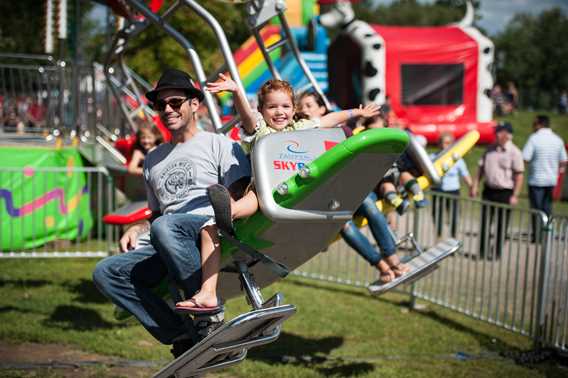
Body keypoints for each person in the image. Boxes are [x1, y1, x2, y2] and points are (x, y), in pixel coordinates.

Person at [93, 68, 251, 358]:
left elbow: (238, 195)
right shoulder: (153, 159)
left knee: (167, 227)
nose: (167, 109)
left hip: (208, 234)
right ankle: (180, 334)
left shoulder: (220, 144)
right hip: (165, 236)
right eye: (160, 104)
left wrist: (217, 218)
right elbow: (156, 214)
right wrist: (138, 227)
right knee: (107, 272)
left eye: (175, 102)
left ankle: (209, 314)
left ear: (195, 104)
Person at [204, 74, 380, 230]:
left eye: (285, 106)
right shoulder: (261, 130)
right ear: (261, 110)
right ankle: (230, 212)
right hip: (267, 189)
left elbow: (328, 120)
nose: (279, 112)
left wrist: (357, 112)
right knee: (255, 196)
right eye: (272, 107)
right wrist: (236, 92)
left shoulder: (298, 127)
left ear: (294, 110)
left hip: (298, 185)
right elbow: (247, 117)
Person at [340, 113, 409, 283]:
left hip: (367, 193)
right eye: (371, 131)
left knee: (368, 202)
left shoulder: (392, 147)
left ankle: (392, 259)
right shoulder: (357, 138)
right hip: (343, 194)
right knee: (344, 225)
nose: (375, 136)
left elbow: (404, 169)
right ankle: (383, 266)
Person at [471, 122, 524, 260]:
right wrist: (475, 185)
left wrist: (515, 195)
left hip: (505, 192)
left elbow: (519, 176)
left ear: (507, 135)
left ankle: (496, 253)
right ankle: (482, 252)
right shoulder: (489, 149)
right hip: (489, 191)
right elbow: (480, 170)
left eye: (500, 131)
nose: (497, 134)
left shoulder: (515, 152)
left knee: (502, 224)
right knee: (485, 222)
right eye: (497, 131)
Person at [522, 115, 567, 242]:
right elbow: (564, 160)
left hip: (536, 180)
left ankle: (538, 237)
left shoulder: (534, 138)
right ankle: (547, 235)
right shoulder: (557, 139)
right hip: (551, 180)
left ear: (539, 124)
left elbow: (525, 157)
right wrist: (557, 171)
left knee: (537, 211)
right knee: (547, 210)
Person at [430, 132, 473, 238]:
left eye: (448, 143)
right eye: (443, 143)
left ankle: (453, 239)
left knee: (454, 216)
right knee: (437, 216)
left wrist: (471, 187)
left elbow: (465, 174)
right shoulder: (432, 157)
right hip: (438, 191)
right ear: (439, 144)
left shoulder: (457, 159)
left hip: (453, 191)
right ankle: (438, 238)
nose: (445, 145)